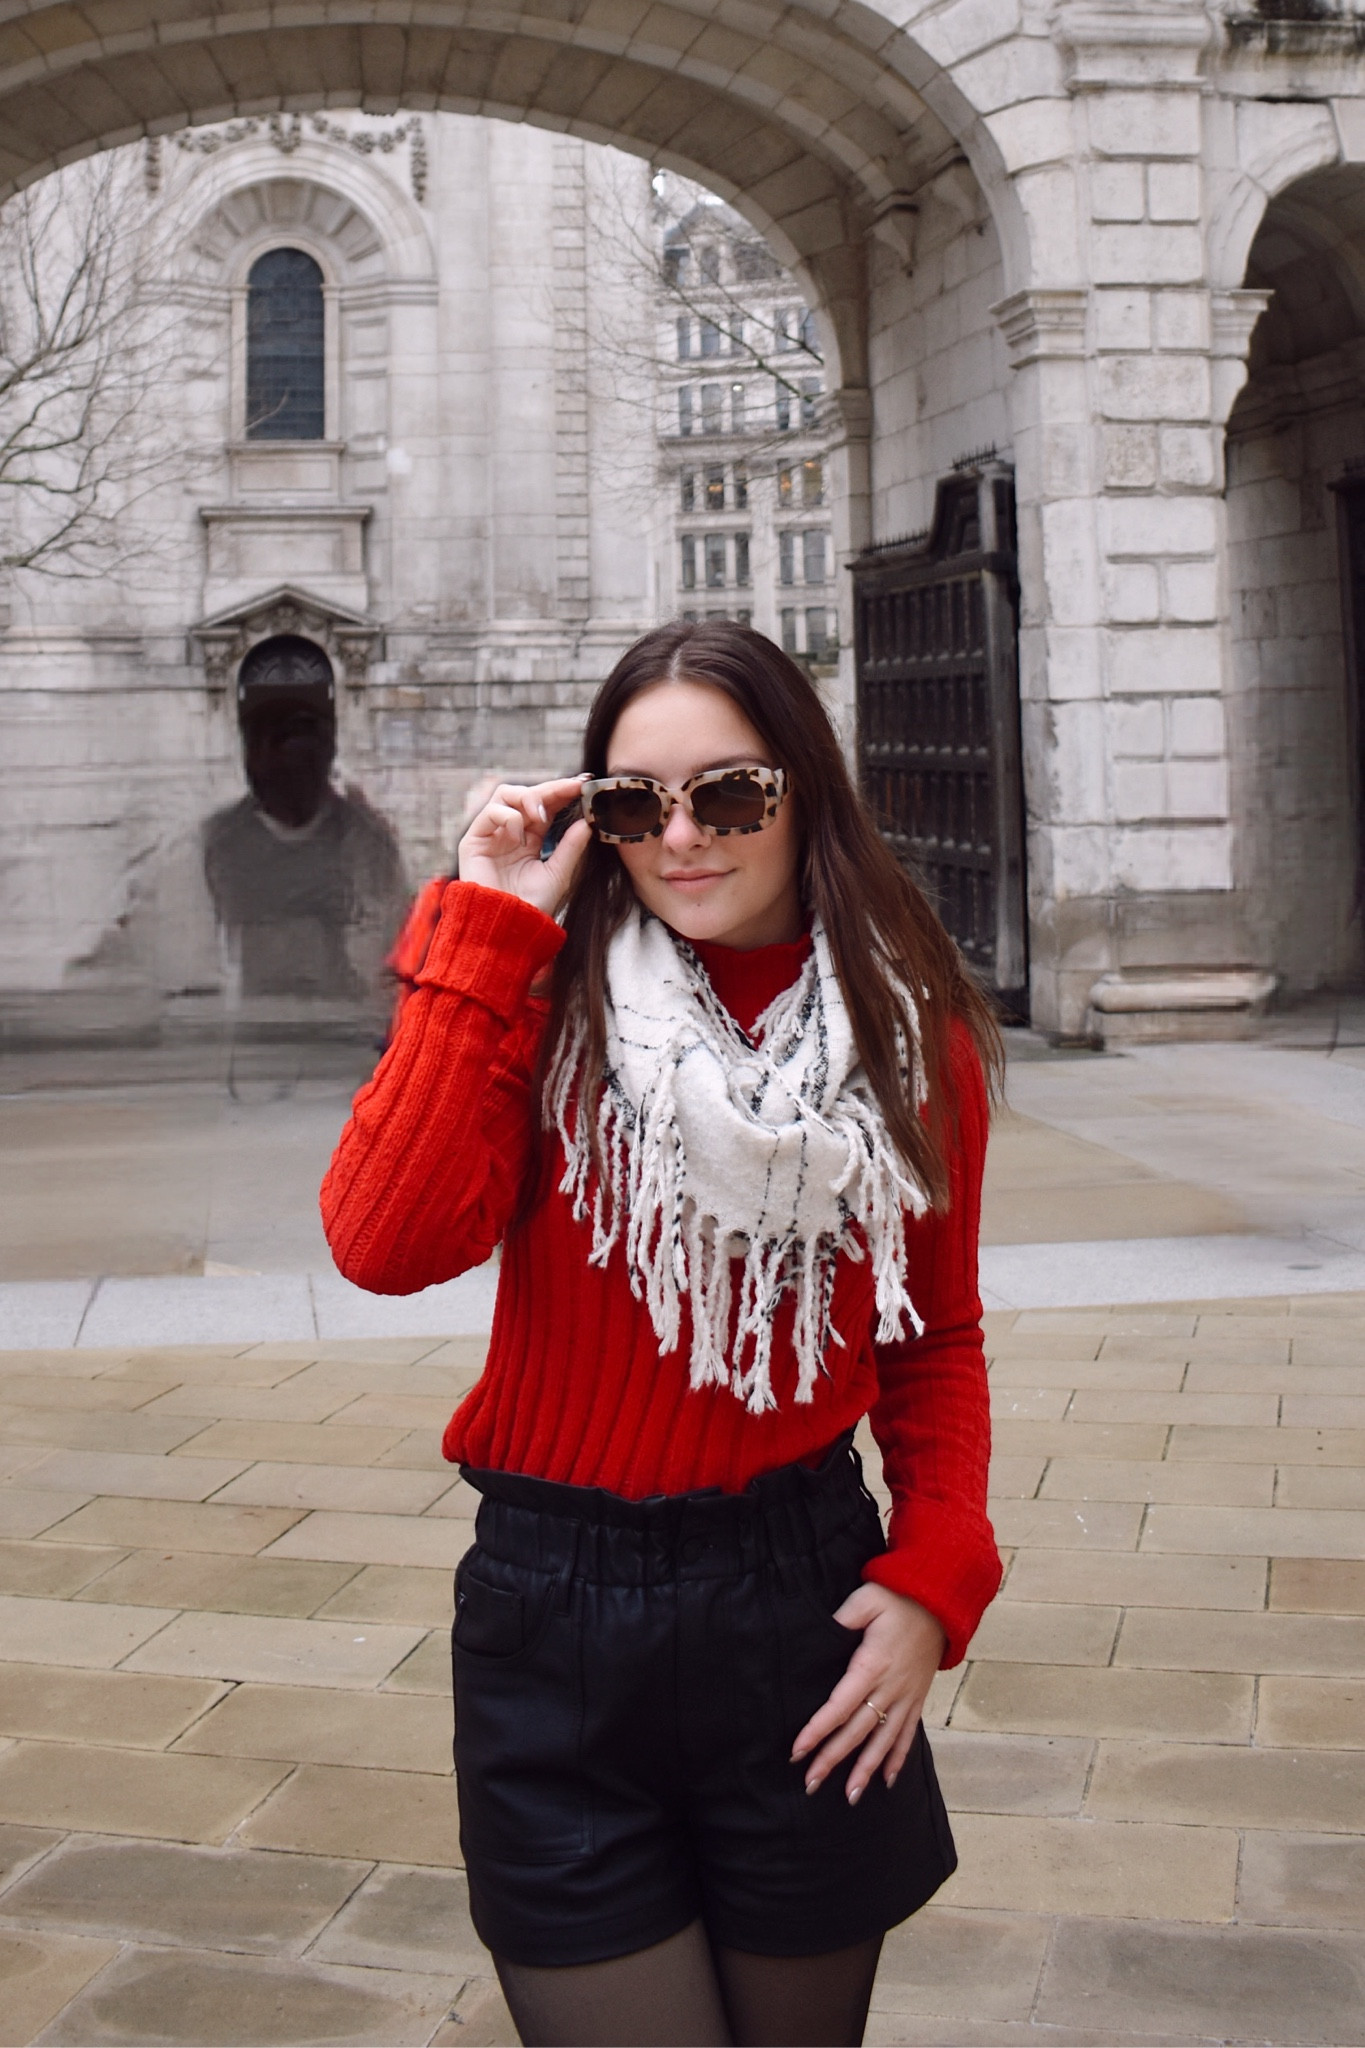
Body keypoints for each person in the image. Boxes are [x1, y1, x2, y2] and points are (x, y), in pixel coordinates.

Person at [321, 621, 1003, 2048]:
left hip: (795, 1609)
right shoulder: (534, 998)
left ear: (802, 792)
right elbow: (384, 1244)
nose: (682, 838)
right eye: (634, 804)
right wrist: (483, 920)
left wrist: (934, 1575)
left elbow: (930, 1334)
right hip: (553, 1619)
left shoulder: (905, 1030)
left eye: (731, 796)